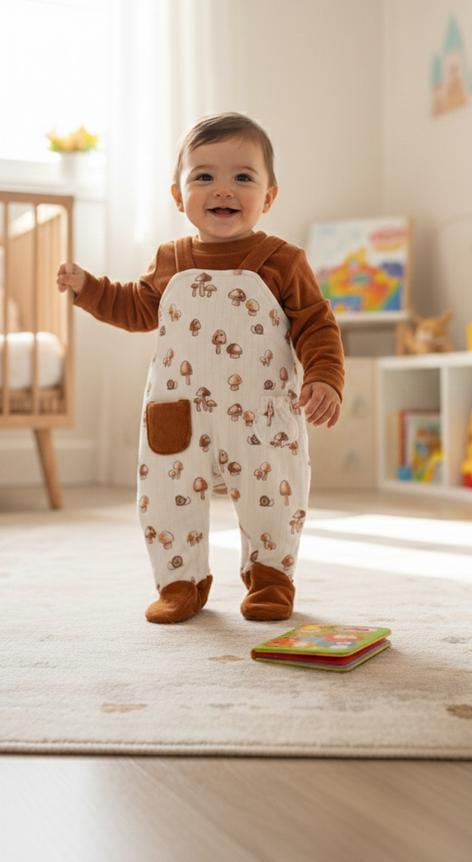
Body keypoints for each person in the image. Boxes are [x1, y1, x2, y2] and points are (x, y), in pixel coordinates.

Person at [57, 112, 345, 624]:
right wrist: (90, 289)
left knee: (271, 498)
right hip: (179, 414)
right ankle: (180, 582)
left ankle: (270, 579)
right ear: (178, 195)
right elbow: (136, 307)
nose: (223, 189)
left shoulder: (283, 260)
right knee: (167, 498)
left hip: (260, 416)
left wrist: (325, 376)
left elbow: (316, 324)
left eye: (243, 177)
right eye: (204, 175)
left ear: (269, 196)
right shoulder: (170, 259)